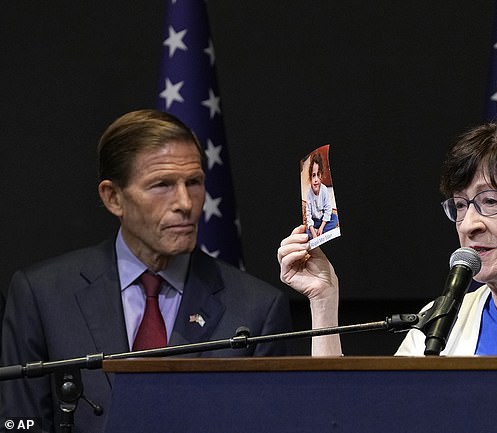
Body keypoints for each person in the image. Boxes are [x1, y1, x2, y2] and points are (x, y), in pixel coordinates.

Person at [278, 114, 497, 398]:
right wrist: (323, 301)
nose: (469, 224)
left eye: (490, 201)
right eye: (461, 205)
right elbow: (351, 420)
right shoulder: (437, 322)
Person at [0, 109, 292, 433]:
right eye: (162, 185)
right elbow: (19, 424)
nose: (185, 202)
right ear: (113, 198)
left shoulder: (256, 311)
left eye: (193, 182)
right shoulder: (42, 295)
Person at [305, 151, 338, 239]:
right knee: (307, 231)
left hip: (323, 221)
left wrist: (322, 227)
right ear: (310, 177)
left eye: (318, 175)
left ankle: (320, 232)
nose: (316, 179)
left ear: (321, 175)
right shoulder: (309, 193)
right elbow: (308, 215)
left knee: (335, 218)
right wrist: (312, 230)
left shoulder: (324, 190)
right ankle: (316, 232)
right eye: (313, 175)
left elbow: (328, 209)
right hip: (315, 221)